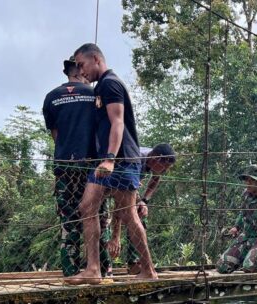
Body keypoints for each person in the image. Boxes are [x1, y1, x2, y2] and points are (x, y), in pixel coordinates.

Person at [68, 43, 157, 284]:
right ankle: (93, 269)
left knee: (128, 214)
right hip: (106, 161)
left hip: (120, 160)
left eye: (82, 65)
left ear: (96, 59)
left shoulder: (110, 83)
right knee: (87, 208)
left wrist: (109, 158)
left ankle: (148, 269)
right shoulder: (101, 87)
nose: (80, 71)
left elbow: (117, 122)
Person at [42, 55, 112, 279]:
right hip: (93, 166)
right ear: (81, 71)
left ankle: (70, 272)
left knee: (69, 219)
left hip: (65, 165)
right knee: (99, 216)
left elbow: (57, 136)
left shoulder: (51, 98)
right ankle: (104, 270)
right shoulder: (94, 95)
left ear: (67, 73)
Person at [107, 143, 176, 274]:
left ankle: (134, 262)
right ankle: (105, 265)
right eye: (164, 167)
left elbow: (156, 179)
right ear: (156, 158)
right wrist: (116, 236)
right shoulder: (136, 159)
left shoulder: (154, 160)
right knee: (105, 220)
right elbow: (120, 202)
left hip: (127, 186)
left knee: (140, 212)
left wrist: (144, 201)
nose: (165, 171)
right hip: (108, 181)